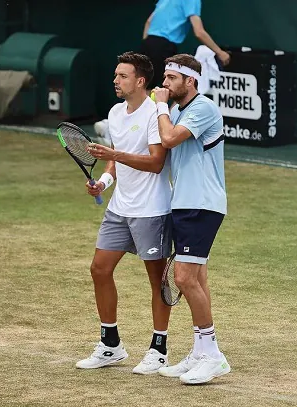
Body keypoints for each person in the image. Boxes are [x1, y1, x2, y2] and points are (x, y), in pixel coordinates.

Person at [75, 51, 173, 375]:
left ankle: (159, 350)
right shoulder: (115, 113)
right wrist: (103, 182)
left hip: (152, 210)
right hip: (120, 206)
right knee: (99, 269)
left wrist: (115, 152)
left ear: (140, 81)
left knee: (157, 280)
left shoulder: (155, 115)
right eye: (116, 75)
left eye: (122, 76)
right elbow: (114, 162)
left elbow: (157, 163)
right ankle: (110, 345)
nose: (115, 81)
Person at [151, 54, 230, 384]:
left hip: (201, 204)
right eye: (164, 78)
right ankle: (200, 350)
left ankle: (212, 355)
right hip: (184, 203)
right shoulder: (178, 111)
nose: (165, 84)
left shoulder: (202, 107)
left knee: (184, 279)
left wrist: (158, 106)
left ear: (190, 81)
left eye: (171, 78)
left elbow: (168, 140)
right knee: (196, 279)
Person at [94, 0, 231, 140]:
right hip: (163, 46)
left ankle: (115, 127)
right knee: (160, 91)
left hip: (148, 43)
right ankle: (116, 128)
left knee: (145, 91)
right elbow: (199, 32)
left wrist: (147, 48)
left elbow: (148, 22)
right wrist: (219, 52)